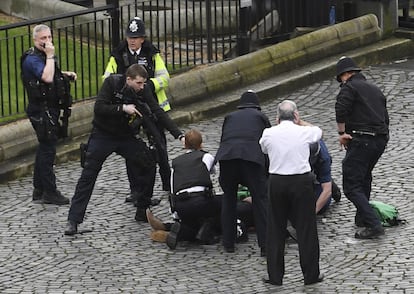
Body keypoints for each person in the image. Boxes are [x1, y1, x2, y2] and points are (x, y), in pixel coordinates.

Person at [64, 64, 183, 235]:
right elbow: (99, 107)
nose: (142, 87)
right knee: (88, 175)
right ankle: (73, 220)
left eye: (143, 83)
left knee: (149, 162)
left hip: (125, 136)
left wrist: (179, 135)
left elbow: (158, 112)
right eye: (139, 83)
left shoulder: (144, 90)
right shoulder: (112, 84)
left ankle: (142, 208)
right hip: (103, 134)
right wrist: (122, 108)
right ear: (128, 79)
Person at [103, 16, 173, 197]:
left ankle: (167, 183)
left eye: (135, 37)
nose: (132, 41)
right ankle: (135, 190)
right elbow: (107, 78)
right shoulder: (118, 54)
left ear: (143, 38)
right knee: (131, 150)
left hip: (152, 107)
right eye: (129, 37)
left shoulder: (151, 53)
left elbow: (164, 77)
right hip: (129, 110)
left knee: (159, 145)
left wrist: (149, 86)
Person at [259, 100, 323, 286]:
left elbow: (264, 148)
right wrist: (301, 122)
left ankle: (275, 276)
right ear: (295, 115)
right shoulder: (304, 131)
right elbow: (319, 132)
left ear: (277, 118)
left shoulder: (268, 133)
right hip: (301, 181)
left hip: (277, 181)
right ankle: (311, 275)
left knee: (275, 229)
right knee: (306, 229)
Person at [21, 24, 77, 205]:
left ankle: (39, 189)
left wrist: (65, 74)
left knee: (45, 147)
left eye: (49, 37)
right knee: (48, 150)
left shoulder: (43, 56)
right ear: (35, 40)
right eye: (43, 39)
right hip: (41, 111)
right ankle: (50, 192)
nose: (47, 42)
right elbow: (46, 77)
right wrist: (51, 55)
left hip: (49, 109)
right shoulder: (33, 59)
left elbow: (51, 74)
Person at [335, 56, 389, 239]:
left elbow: (341, 109)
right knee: (364, 176)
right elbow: (385, 118)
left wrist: (342, 134)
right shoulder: (375, 89)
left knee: (351, 185)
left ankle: (373, 224)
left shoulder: (349, 87)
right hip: (380, 140)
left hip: (361, 138)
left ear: (345, 75)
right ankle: (363, 217)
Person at [215, 90, 270, 256]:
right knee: (260, 201)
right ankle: (265, 245)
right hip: (251, 159)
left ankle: (228, 242)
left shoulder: (229, 117)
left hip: (228, 157)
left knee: (229, 198)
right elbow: (268, 144)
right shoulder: (261, 117)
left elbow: (224, 139)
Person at [165, 129, 221, 249]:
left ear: (184, 145)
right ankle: (206, 231)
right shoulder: (206, 156)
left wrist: (175, 213)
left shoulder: (176, 162)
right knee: (221, 203)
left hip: (181, 205)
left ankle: (181, 227)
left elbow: (172, 187)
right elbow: (212, 171)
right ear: (201, 144)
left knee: (190, 221)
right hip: (201, 201)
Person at [309, 139, 341, 215]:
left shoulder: (323, 157)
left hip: (317, 168)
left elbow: (326, 191)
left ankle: (330, 183)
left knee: (322, 207)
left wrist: (311, 215)